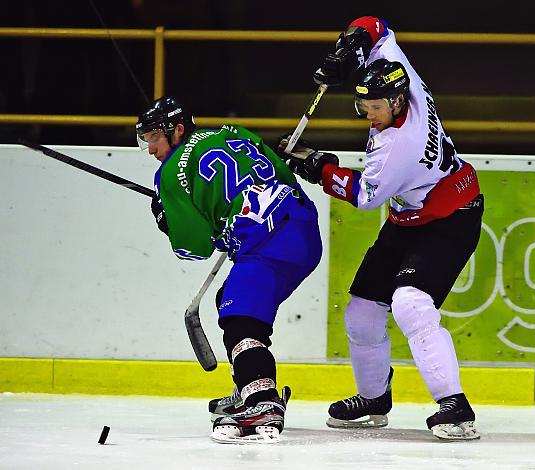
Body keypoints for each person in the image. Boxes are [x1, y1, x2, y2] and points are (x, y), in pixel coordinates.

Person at [278, 16, 483, 440]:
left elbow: (366, 197)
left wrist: (318, 166)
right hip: (410, 215)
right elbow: (376, 25)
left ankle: (455, 406)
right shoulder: (397, 73)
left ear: (396, 103)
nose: (369, 117)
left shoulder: (399, 145)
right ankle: (375, 398)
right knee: (362, 312)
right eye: (362, 108)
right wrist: (349, 47)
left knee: (410, 302)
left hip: (452, 215)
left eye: (375, 109)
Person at [136, 96, 324, 443]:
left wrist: (166, 220)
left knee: (239, 316)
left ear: (176, 130)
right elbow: (283, 173)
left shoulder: (171, 172)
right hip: (303, 227)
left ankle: (263, 400)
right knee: (229, 298)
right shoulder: (230, 132)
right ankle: (247, 388)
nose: (150, 149)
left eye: (152, 138)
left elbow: (194, 249)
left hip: (268, 245)